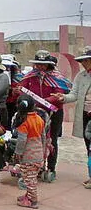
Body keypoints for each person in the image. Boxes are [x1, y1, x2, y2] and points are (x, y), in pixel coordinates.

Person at [18, 50, 70, 180]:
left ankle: (51, 167)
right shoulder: (30, 76)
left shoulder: (56, 78)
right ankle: (37, 166)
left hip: (53, 112)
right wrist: (18, 92)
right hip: (34, 113)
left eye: (44, 64)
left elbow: (59, 94)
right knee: (35, 139)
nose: (40, 67)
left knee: (51, 138)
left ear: (49, 64)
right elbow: (22, 88)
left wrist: (46, 101)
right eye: (38, 64)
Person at [55, 47, 91, 187]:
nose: (84, 64)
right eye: (82, 61)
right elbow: (74, 94)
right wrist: (63, 97)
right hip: (85, 114)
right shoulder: (81, 76)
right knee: (88, 146)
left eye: (86, 61)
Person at [13, 95, 46, 209]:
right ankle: (29, 195)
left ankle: (32, 200)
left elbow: (22, 140)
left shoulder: (24, 122)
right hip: (38, 154)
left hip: (29, 155)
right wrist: (44, 151)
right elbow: (43, 137)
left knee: (29, 179)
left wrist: (18, 153)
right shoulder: (39, 119)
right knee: (32, 177)